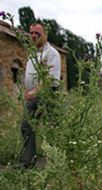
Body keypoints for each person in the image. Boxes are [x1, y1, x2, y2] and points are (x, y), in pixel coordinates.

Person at [21, 23, 61, 168]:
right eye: (31, 33)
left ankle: (55, 162)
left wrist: (34, 91)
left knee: (52, 128)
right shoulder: (33, 53)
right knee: (27, 126)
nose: (33, 36)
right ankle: (28, 162)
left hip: (48, 94)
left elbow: (50, 78)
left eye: (37, 33)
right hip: (32, 95)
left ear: (45, 34)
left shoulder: (52, 53)